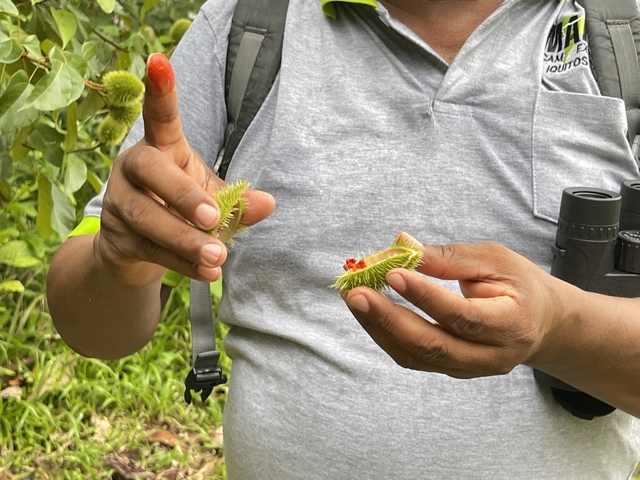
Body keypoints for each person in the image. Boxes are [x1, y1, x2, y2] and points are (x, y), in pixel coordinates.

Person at [46, 0, 640, 478]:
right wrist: (117, 258)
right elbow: (89, 325)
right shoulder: (245, 24)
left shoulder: (621, 33)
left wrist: (560, 327)